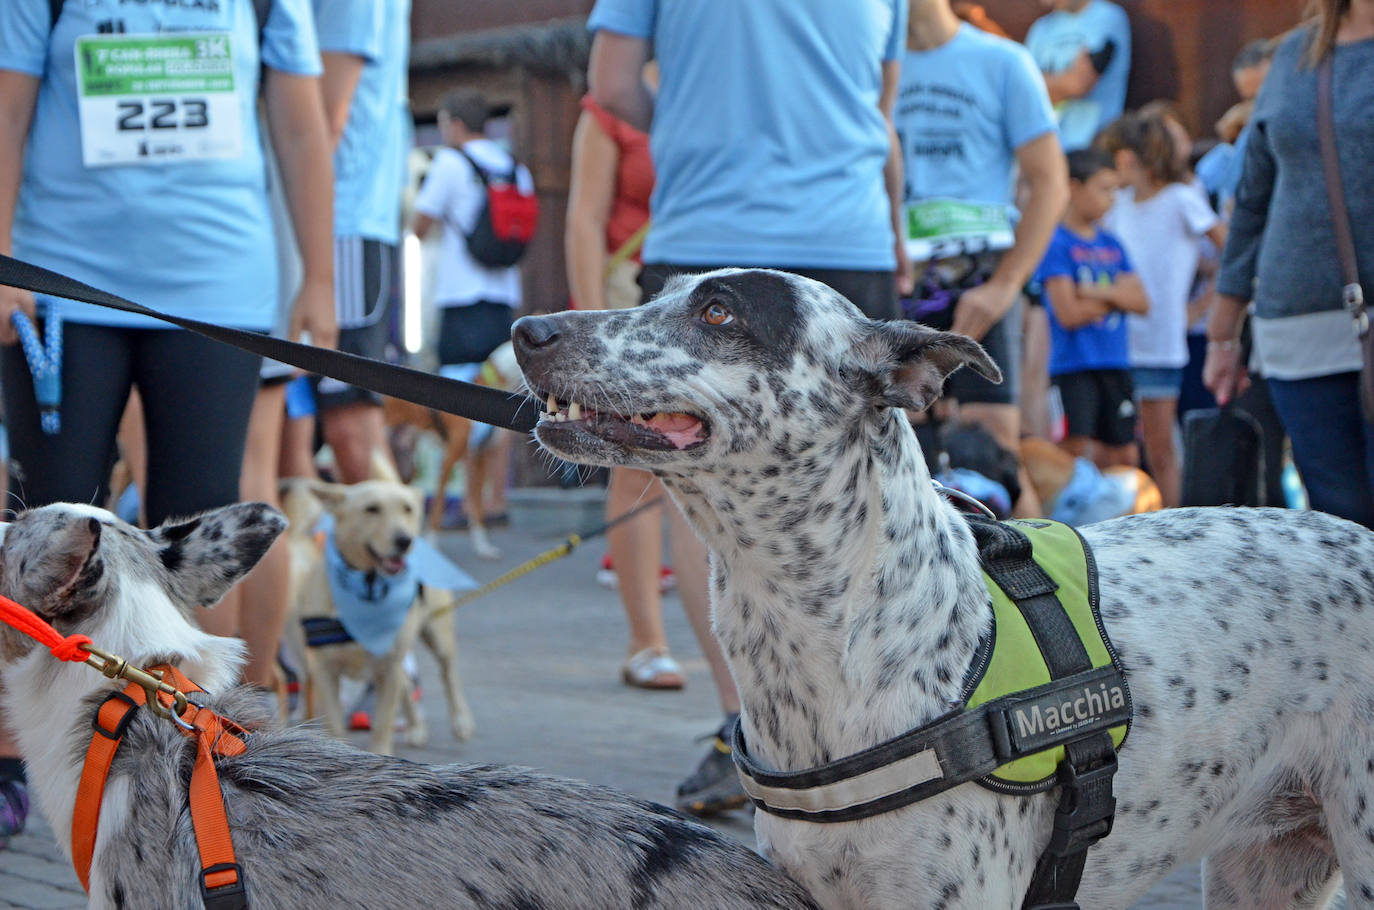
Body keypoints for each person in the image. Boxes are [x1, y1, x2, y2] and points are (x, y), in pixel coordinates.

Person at [0, 0, 335, 844]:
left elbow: (302, 132)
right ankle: (13, 758)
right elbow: (6, 113)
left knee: (200, 523)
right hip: (62, 285)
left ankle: (183, 751)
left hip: (215, 289)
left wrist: (321, 281)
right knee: (40, 533)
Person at [587, 0, 907, 815]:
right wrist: (894, 234)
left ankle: (751, 723)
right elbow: (884, 110)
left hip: (709, 216)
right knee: (861, 481)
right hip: (850, 229)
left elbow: (614, 85)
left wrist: (697, 128)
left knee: (690, 472)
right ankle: (890, 718)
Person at [1206, 0, 1374, 528]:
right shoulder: (1296, 54)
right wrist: (1224, 329)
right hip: (1296, 330)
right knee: (1339, 522)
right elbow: (1253, 194)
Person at [899, 0, 1069, 517]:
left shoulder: (1003, 62)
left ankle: (1040, 591)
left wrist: (1005, 285)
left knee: (997, 452)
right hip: (898, 277)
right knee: (900, 453)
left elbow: (1051, 183)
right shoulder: (860, 63)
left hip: (981, 275)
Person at [565, 70, 686, 690]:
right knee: (637, 465)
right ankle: (648, 641)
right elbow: (585, 218)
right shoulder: (613, 104)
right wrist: (590, 333)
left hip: (704, 304)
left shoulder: (718, 81)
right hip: (629, 304)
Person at [411, 89, 531, 528]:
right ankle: (494, 502)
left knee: (457, 404)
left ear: (454, 125)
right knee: (502, 401)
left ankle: (461, 500)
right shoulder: (516, 168)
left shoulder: (449, 163)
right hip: (503, 302)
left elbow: (419, 225)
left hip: (461, 299)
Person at [1100, 110, 1225, 509]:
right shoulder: (1117, 203)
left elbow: (1230, 250)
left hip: (1160, 341)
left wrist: (1202, 304)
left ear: (1128, 159)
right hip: (1116, 343)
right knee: (1121, 448)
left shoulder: (1181, 199)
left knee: (1160, 448)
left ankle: (1176, 525)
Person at [311, 0, 411, 485]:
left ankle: (394, 562)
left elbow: (330, 115)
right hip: (334, 216)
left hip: (343, 216)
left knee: (349, 416)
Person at [1036, 147, 1148, 467]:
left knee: (1125, 451)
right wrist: (1116, 297)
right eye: (1104, 188)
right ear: (1073, 187)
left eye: (1115, 190)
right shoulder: (1057, 243)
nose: (1111, 198)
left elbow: (1141, 302)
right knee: (1075, 450)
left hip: (1115, 362)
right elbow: (1068, 314)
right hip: (1073, 368)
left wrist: (1090, 291)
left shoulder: (1113, 244)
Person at [1025, 0, 1133, 152]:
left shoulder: (1106, 17)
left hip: (1093, 149)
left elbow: (1078, 84)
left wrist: (1040, 83)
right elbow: (1024, 92)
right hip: (1049, 149)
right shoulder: (1041, 28)